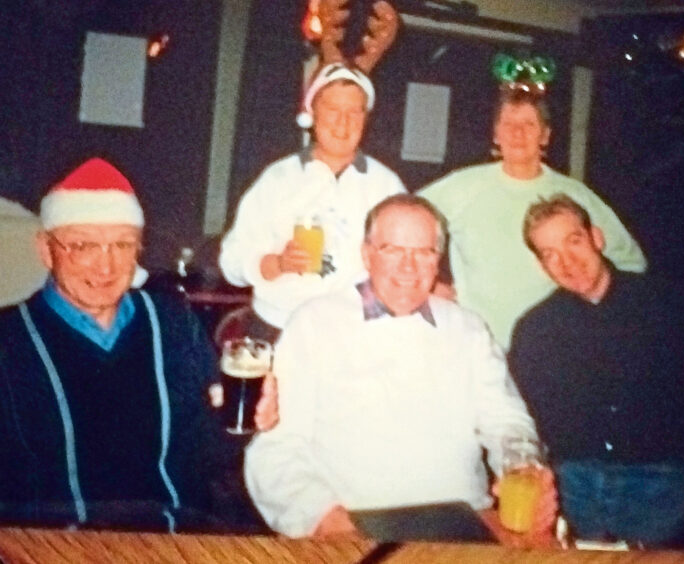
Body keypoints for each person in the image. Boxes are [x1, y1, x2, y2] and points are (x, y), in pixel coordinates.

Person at [245, 194, 557, 539]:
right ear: (366, 255)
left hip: (465, 524)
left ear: (438, 260)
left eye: (424, 252)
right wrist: (327, 521)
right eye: (393, 250)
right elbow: (275, 449)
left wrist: (524, 466)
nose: (409, 268)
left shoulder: (467, 329)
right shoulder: (315, 323)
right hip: (354, 525)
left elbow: (507, 422)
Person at [0, 157, 277, 532]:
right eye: (83, 246)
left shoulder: (173, 324)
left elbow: (205, 458)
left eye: (122, 245)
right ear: (46, 250)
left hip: (177, 542)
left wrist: (242, 423)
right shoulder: (10, 343)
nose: (106, 267)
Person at [508, 194, 684, 547]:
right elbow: (530, 420)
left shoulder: (666, 304)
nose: (567, 262)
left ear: (596, 238)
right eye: (550, 254)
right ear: (542, 266)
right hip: (574, 485)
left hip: (660, 480)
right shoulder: (534, 330)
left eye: (574, 242)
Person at [420, 87, 646, 349]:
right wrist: (429, 286)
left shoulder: (574, 195)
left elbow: (631, 262)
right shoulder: (462, 186)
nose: (518, 133)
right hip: (479, 348)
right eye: (509, 124)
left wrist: (603, 322)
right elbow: (401, 224)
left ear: (545, 135)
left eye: (529, 123)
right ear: (495, 134)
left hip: (558, 350)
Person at [219, 62, 405, 343]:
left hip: (353, 333)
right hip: (278, 328)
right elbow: (231, 262)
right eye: (332, 110)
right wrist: (277, 263)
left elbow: (403, 262)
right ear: (312, 113)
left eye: (354, 112)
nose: (343, 123)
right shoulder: (277, 178)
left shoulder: (387, 186)